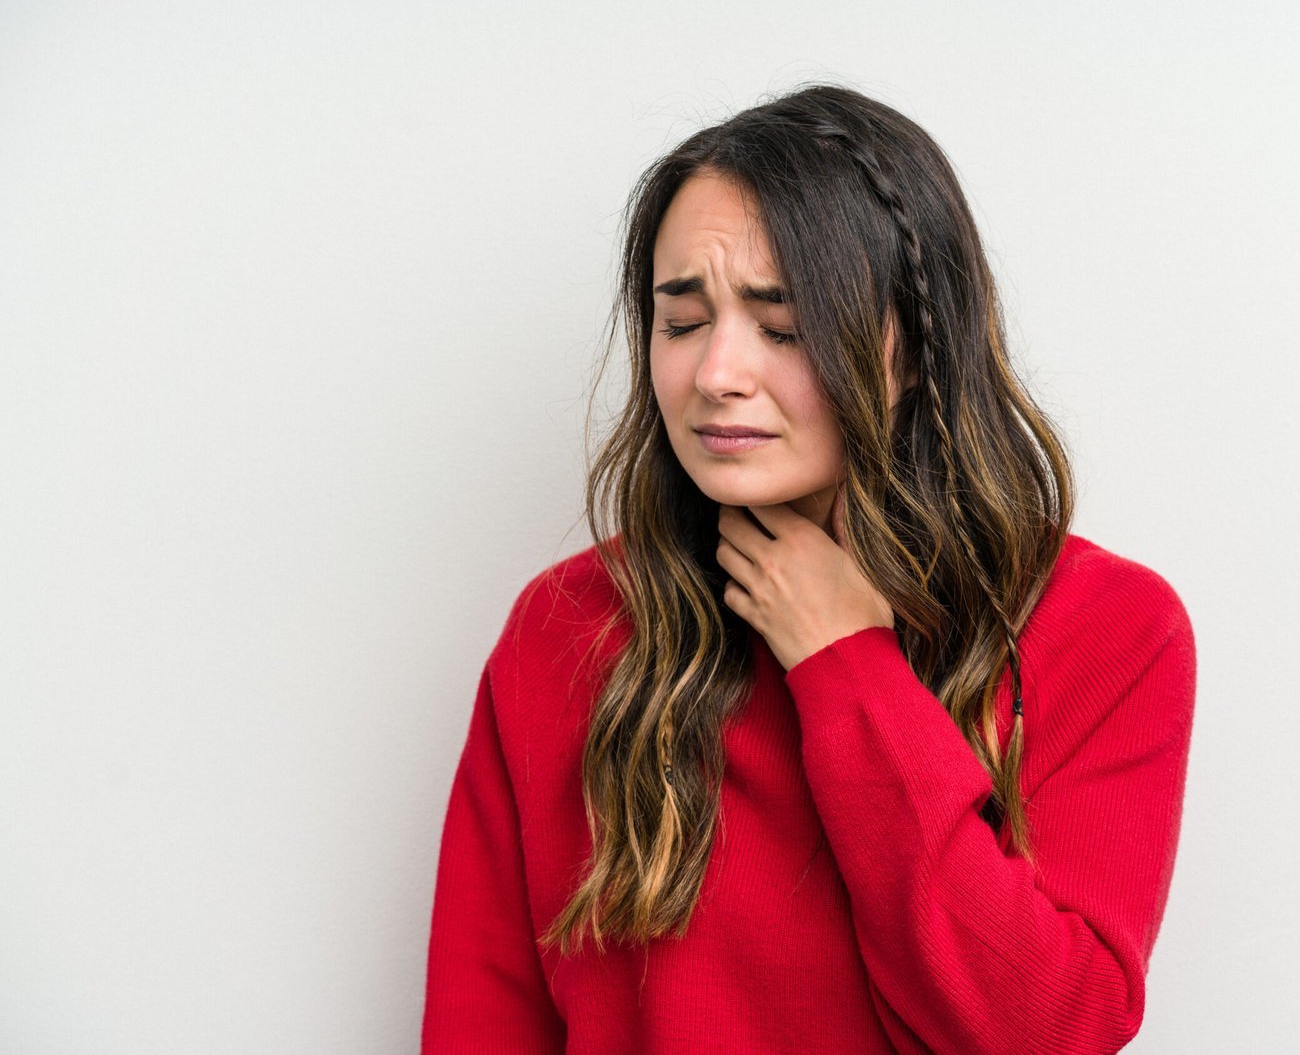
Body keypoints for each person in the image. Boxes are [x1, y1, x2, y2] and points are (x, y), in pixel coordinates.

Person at [421, 82, 1197, 1054]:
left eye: (782, 327)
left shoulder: (1105, 626)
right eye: (682, 322)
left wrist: (845, 662)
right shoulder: (568, 626)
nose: (716, 375)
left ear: (913, 347)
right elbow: (482, 1020)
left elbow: (1046, 1027)